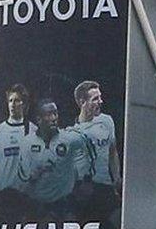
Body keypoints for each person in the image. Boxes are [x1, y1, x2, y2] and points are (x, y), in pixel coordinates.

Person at [22, 98, 93, 218]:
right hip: (37, 205)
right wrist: (36, 173)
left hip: (64, 204)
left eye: (55, 113)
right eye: (49, 115)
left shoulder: (70, 139)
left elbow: (88, 151)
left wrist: (84, 178)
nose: (54, 118)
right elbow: (23, 179)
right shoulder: (26, 143)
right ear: (39, 119)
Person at [67, 80, 120, 214]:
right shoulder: (72, 132)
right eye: (95, 99)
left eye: (100, 98)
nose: (100, 102)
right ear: (82, 102)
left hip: (106, 186)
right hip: (85, 189)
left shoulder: (107, 121)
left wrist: (117, 178)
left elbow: (113, 151)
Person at [0, 84, 36, 200]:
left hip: (25, 197)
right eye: (10, 101)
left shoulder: (33, 130)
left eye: (17, 101)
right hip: (3, 195)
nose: (12, 104)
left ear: (24, 104)